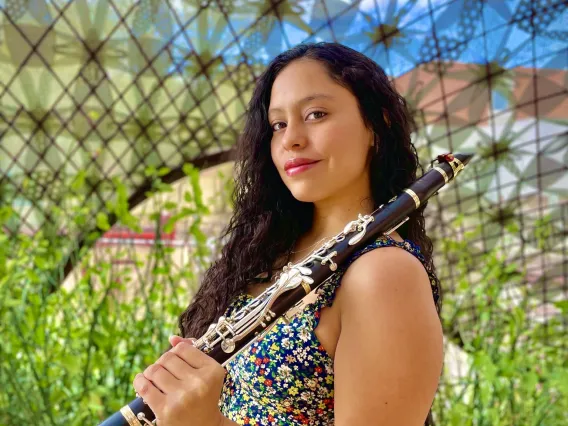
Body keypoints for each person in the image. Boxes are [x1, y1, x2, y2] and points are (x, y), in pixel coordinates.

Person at [133, 42, 444, 426]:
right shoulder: (271, 254)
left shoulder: (383, 273)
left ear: (377, 125)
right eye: (278, 124)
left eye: (316, 114)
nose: (290, 139)